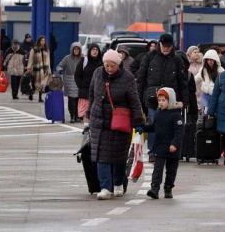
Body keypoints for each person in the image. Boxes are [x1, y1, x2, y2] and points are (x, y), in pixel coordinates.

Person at [87, 50, 144, 200]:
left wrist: (138, 120)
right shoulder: (97, 73)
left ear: (118, 65)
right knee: (101, 156)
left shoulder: (128, 78)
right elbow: (91, 94)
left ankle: (118, 183)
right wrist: (89, 113)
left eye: (113, 66)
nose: (109, 69)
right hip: (99, 121)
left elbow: (134, 101)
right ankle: (105, 187)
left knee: (118, 156)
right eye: (107, 65)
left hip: (120, 123)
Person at [137, 34, 189, 162]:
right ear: (159, 44)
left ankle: (167, 150)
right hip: (153, 98)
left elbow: (182, 82)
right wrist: (138, 99)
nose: (166, 48)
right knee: (154, 124)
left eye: (169, 46)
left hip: (171, 99)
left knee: (170, 127)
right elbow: (141, 79)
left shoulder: (177, 60)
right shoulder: (149, 57)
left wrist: (185, 101)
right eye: (164, 46)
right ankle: (152, 152)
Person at [144, 88, 184, 199]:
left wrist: (174, 144)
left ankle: (168, 188)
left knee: (171, 171)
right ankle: (154, 188)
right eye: (159, 100)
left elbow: (179, 132)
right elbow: (154, 127)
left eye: (164, 100)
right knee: (157, 169)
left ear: (170, 101)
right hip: (160, 146)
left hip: (172, 148)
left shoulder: (176, 115)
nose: (161, 102)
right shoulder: (158, 113)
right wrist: (143, 128)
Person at [75, 43, 103, 128]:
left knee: (95, 111)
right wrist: (81, 85)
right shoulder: (84, 60)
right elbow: (77, 75)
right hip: (85, 91)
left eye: (96, 50)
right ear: (89, 51)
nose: (95, 51)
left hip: (97, 91)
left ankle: (92, 127)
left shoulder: (101, 62)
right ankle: (86, 127)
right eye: (93, 49)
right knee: (85, 111)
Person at [56, 42, 82, 123]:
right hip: (69, 81)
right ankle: (72, 115)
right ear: (72, 50)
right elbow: (59, 66)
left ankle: (77, 115)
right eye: (75, 49)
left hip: (79, 80)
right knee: (71, 100)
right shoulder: (67, 58)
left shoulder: (82, 58)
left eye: (78, 49)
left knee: (78, 99)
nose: (76, 51)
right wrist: (60, 70)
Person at [175, 51, 200, 126]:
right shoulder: (170, 74)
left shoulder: (188, 75)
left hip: (186, 107)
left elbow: (192, 94)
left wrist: (194, 112)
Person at [26, 36, 51, 102]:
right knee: (34, 83)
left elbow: (48, 60)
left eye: (44, 41)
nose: (43, 42)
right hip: (35, 69)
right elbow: (30, 59)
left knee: (42, 83)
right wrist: (29, 68)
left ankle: (40, 97)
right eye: (42, 40)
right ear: (39, 41)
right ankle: (31, 93)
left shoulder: (47, 50)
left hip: (44, 69)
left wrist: (49, 69)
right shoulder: (34, 49)